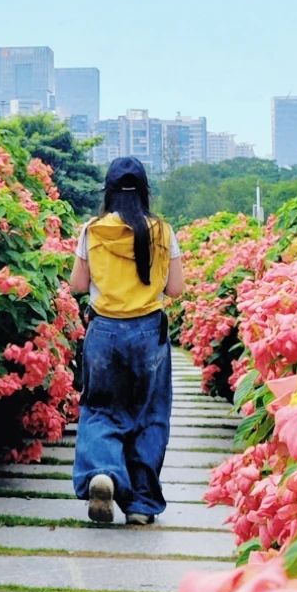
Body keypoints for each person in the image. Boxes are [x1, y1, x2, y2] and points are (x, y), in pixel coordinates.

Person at [68, 155, 185, 526]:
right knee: (150, 416)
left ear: (110, 191)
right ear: (145, 191)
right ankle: (140, 504)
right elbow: (176, 289)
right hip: (149, 332)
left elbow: (78, 286)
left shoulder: (93, 230)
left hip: (103, 331)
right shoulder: (162, 231)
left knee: (101, 409)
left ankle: (102, 472)